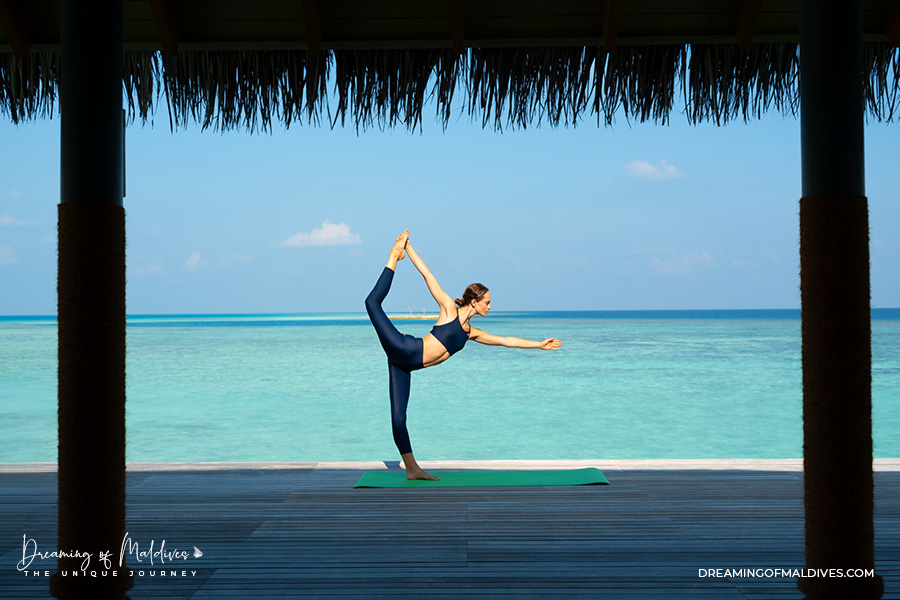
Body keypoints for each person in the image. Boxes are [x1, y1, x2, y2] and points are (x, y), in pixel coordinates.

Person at [365, 230, 563, 480]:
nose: (490, 306)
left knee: (398, 419)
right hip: (404, 348)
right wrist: (407, 248)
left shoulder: (472, 333)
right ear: (474, 302)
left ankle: (412, 470)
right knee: (372, 303)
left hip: (404, 366)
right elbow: (428, 275)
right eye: (487, 302)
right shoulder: (448, 310)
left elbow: (506, 341)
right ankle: (393, 256)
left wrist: (538, 345)